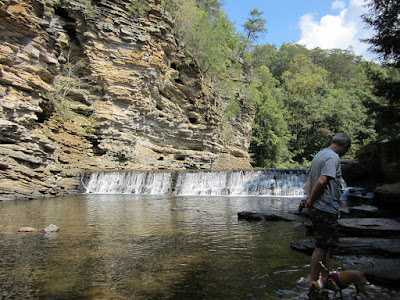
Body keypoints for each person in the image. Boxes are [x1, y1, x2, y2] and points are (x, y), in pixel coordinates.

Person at [300, 133, 351, 295]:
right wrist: (312, 200)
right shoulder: (333, 157)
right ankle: (313, 282)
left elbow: (309, 179)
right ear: (345, 147)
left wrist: (308, 198)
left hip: (318, 208)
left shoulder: (319, 155)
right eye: (346, 151)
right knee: (321, 247)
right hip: (326, 208)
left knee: (325, 245)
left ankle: (325, 278)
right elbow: (322, 181)